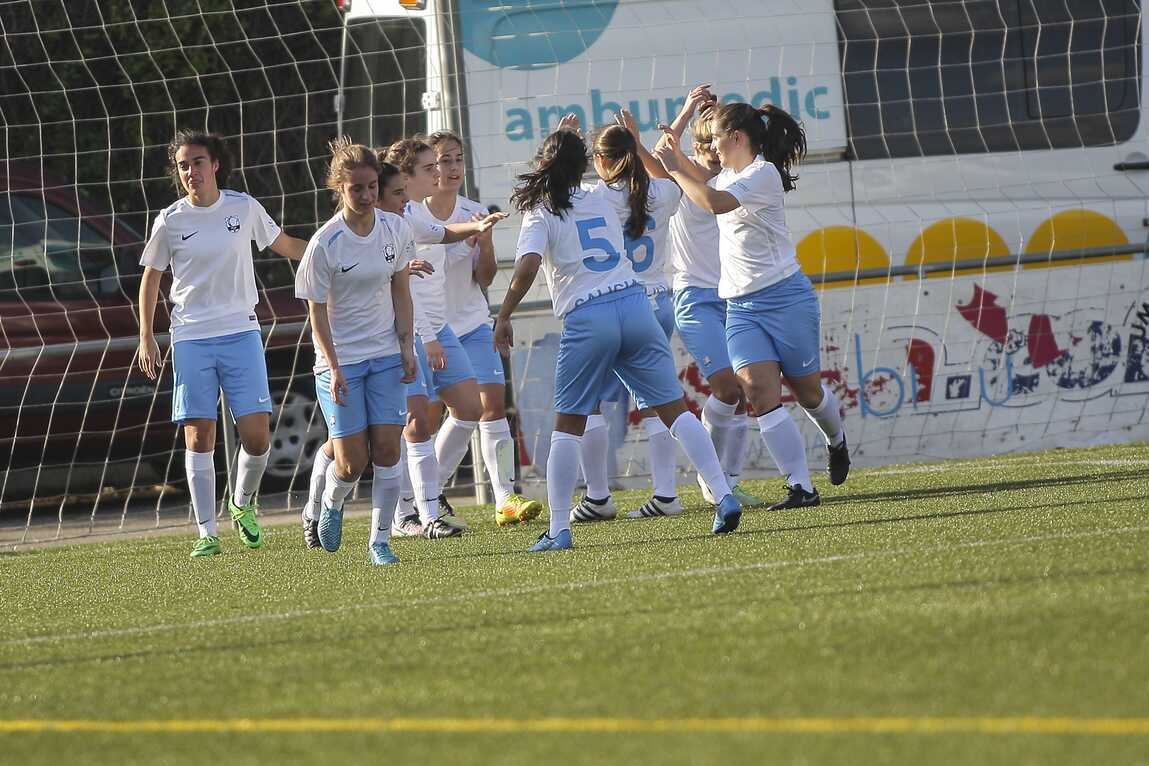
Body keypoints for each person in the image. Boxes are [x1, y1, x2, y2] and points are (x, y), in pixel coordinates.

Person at [496, 117, 744, 552]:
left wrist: (504, 314)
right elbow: (652, 185)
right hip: (635, 305)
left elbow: (528, 266)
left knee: (567, 425)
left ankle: (559, 528)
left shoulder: (541, 210)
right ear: (584, 165)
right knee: (675, 410)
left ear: (545, 165)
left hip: (588, 316)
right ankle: (723, 495)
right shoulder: (603, 194)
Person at [654, 103, 850, 509]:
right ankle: (801, 487)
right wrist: (672, 149)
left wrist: (674, 166)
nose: (712, 148)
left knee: (808, 393)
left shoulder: (762, 174)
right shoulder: (726, 174)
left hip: (786, 298)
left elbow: (713, 202)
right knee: (758, 392)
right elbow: (685, 176)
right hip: (741, 306)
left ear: (737, 138)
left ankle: (836, 439)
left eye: (716, 139)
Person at [137, 129, 307, 559]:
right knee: (199, 435)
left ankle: (242, 501)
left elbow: (285, 244)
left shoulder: (243, 207)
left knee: (257, 437)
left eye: (197, 162)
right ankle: (206, 533)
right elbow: (151, 278)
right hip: (191, 336)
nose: (190, 171)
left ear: (214, 165)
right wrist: (147, 336)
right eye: (183, 165)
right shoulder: (170, 220)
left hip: (241, 332)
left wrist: (332, 254)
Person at [628, 86, 764, 508]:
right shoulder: (680, 179)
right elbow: (657, 156)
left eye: (716, 142)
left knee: (741, 392)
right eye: (704, 145)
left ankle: (727, 481)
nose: (712, 153)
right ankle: (712, 479)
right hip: (693, 298)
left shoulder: (733, 178)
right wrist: (687, 110)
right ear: (695, 146)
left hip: (734, 295)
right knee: (726, 387)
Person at [294, 138, 418, 565]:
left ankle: (379, 542)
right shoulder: (325, 244)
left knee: (388, 450)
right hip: (341, 362)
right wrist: (333, 366)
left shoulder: (395, 229)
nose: (366, 196)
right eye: (356, 189)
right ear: (339, 189)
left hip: (385, 355)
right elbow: (316, 313)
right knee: (351, 463)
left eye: (371, 187)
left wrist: (407, 346)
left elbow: (401, 291)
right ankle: (330, 502)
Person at [571, 121, 689, 522]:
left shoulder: (596, 197)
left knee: (587, 401)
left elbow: (557, 195)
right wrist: (640, 146)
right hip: (659, 303)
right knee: (658, 404)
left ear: (601, 160)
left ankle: (598, 497)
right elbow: (666, 179)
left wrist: (565, 142)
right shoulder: (662, 192)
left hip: (617, 305)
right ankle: (666, 493)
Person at [424, 130, 544, 527]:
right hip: (431, 331)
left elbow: (486, 278)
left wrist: (486, 242)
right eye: (444, 160)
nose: (453, 168)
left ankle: (505, 497)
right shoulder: (413, 214)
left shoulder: (474, 211)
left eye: (458, 159)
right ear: (428, 168)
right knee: (432, 418)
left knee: (492, 405)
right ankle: (427, 494)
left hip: (474, 324)